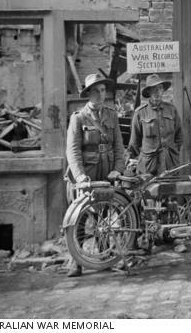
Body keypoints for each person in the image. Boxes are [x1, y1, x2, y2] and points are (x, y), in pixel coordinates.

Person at [65, 72, 126, 277]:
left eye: (103, 91)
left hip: (107, 170)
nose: (101, 95)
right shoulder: (78, 118)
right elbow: (72, 151)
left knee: (104, 216)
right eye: (97, 91)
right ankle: (76, 261)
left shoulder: (111, 115)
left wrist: (118, 168)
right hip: (88, 174)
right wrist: (80, 176)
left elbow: (119, 145)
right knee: (80, 217)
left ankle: (103, 258)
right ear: (88, 94)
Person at [127, 74, 183, 176]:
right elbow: (134, 143)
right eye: (154, 89)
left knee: (172, 189)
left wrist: (172, 153)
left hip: (170, 163)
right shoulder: (140, 113)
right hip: (149, 165)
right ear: (149, 92)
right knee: (149, 190)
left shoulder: (171, 109)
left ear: (163, 90)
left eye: (160, 88)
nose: (157, 92)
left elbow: (179, 136)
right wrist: (145, 155)